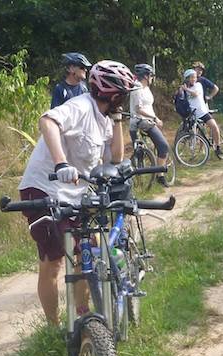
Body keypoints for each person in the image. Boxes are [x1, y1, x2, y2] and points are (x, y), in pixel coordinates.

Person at [18, 60, 138, 326]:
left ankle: (82, 318)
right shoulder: (81, 106)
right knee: (54, 262)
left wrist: (117, 117)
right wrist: (61, 162)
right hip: (44, 188)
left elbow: (116, 156)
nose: (126, 99)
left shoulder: (105, 117)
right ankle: (54, 327)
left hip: (74, 194)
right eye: (124, 95)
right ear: (115, 94)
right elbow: (47, 121)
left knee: (85, 253)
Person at [129, 63, 171, 184]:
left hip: (146, 121)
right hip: (141, 122)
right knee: (163, 146)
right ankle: (160, 176)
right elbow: (139, 109)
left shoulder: (145, 88)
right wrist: (155, 118)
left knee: (149, 150)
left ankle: (152, 172)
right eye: (151, 75)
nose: (152, 78)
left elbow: (147, 106)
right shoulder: (137, 88)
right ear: (146, 76)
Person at [180, 68, 223, 158]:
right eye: (191, 77)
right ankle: (193, 150)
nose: (194, 79)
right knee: (192, 132)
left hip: (203, 112)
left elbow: (195, 94)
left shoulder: (198, 85)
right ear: (187, 78)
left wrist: (186, 89)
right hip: (192, 113)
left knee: (214, 126)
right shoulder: (184, 88)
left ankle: (218, 147)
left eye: (195, 77)